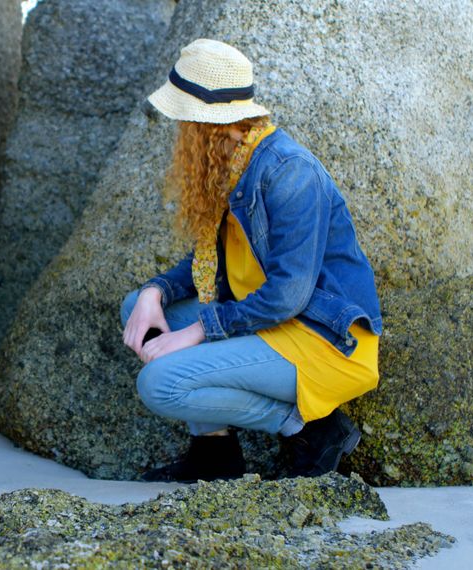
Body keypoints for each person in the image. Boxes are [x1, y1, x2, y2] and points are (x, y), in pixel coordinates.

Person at [120, 39, 383, 483]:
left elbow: (289, 294)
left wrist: (201, 330)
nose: (180, 131)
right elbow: (210, 262)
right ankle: (215, 456)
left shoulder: (288, 172)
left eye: (185, 119)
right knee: (140, 311)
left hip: (319, 340)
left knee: (159, 384)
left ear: (208, 122)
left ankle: (313, 430)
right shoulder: (234, 161)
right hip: (265, 322)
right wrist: (154, 291)